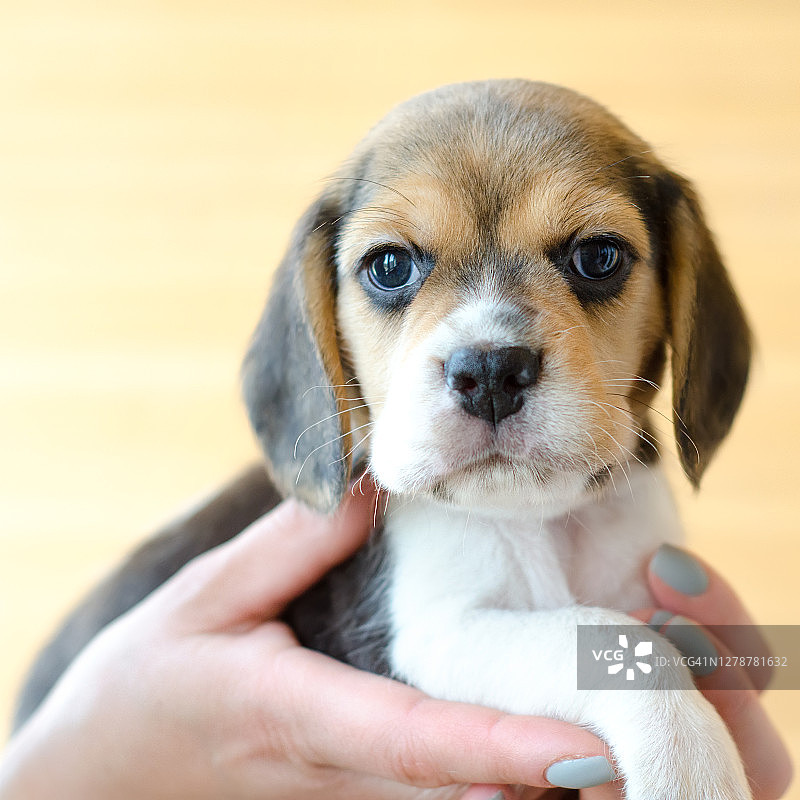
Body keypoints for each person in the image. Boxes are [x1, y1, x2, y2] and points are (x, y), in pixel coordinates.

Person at [0, 481, 791, 800]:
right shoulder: (392, 492)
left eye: (594, 260)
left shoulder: (631, 497)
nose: (492, 341)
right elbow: (445, 641)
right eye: (391, 268)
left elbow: (754, 659)